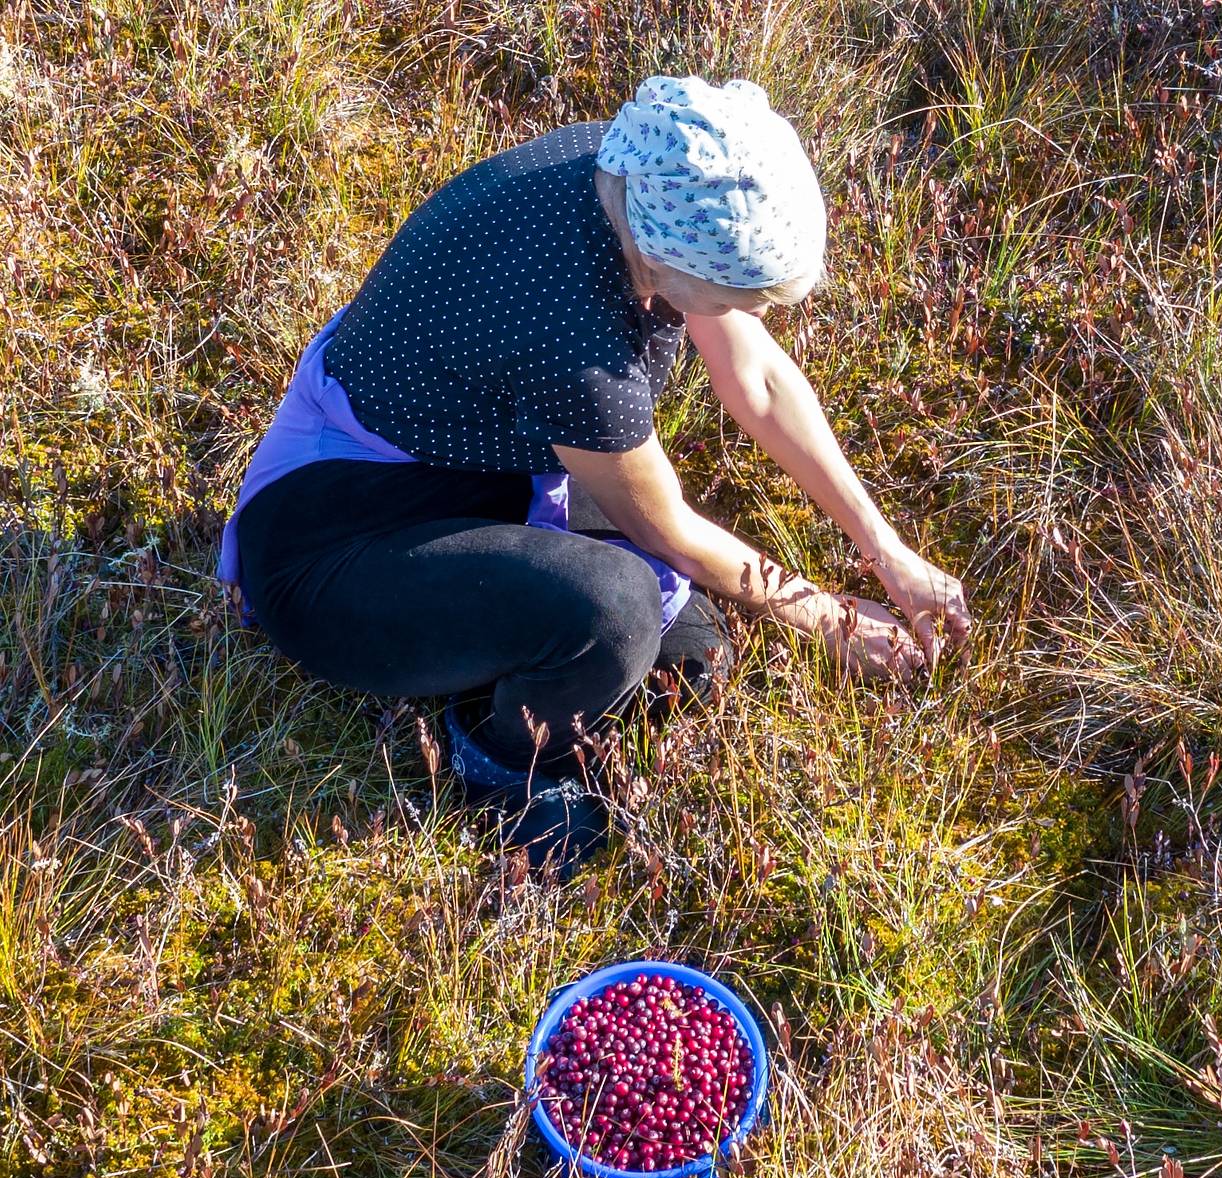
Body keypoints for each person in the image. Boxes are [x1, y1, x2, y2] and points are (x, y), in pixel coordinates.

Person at [218, 75, 971, 868]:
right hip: (330, 541)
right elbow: (666, 529)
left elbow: (759, 382)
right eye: (728, 300)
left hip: (468, 466)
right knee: (616, 617)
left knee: (689, 661)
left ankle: (497, 656)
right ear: (664, 263)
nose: (745, 318)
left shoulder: (640, 170)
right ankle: (499, 754)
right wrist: (826, 617)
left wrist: (887, 552)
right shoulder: (572, 338)